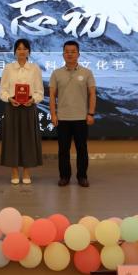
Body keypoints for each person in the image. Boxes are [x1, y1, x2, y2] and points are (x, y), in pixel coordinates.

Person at [49, 40, 96, 187]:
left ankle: (82, 176)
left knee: (82, 149)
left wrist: (91, 113)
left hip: (81, 118)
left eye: (73, 51)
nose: (70, 54)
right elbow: (52, 96)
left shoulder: (87, 73)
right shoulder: (56, 73)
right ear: (63, 54)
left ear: (78, 54)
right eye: (67, 52)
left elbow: (92, 94)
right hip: (62, 118)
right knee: (63, 150)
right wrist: (53, 114)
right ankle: (64, 176)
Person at [0, 38, 44, 184]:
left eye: (25, 48)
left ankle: (26, 172)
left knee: (28, 139)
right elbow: (3, 91)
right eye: (19, 48)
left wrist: (33, 99)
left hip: (29, 107)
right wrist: (9, 98)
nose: (22, 51)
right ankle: (13, 171)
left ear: (29, 51)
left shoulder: (35, 69)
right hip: (12, 107)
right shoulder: (8, 68)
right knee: (12, 139)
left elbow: (40, 92)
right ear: (15, 52)